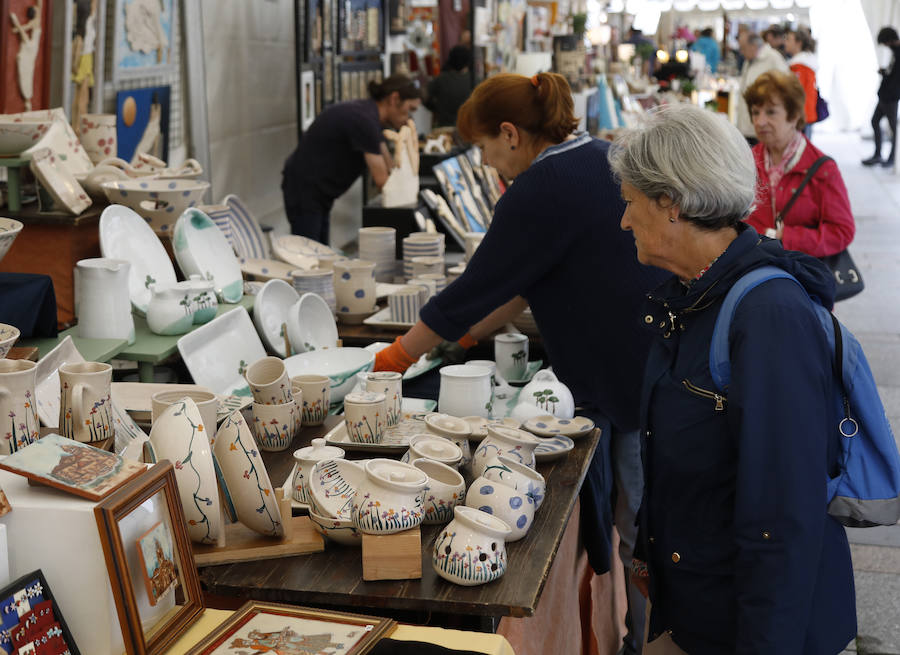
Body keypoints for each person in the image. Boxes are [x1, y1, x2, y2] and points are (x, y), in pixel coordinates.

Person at [374, 72, 667, 655]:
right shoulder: (597, 158)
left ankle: (647, 643)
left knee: (642, 530)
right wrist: (459, 339)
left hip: (634, 379)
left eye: (483, 147)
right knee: (639, 523)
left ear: (510, 134)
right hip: (645, 364)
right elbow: (523, 283)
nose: (484, 161)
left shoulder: (542, 184)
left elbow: (474, 287)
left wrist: (396, 355)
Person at [609, 103, 856, 654]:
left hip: (752, 628)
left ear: (670, 204)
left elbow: (782, 517)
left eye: (629, 203)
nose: (623, 220)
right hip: (700, 608)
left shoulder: (768, 315)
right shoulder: (694, 295)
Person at [281, 74, 421, 244]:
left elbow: (389, 168)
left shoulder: (370, 117)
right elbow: (384, 182)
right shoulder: (365, 121)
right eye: (410, 109)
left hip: (316, 191)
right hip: (305, 189)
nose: (408, 118)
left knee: (319, 252)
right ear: (394, 98)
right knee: (307, 254)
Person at [744, 71, 854, 258]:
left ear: (794, 116)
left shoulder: (823, 169)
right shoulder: (746, 161)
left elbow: (842, 231)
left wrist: (783, 237)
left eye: (771, 112)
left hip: (801, 275)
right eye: (755, 112)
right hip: (753, 271)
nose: (760, 121)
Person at [736, 31, 789, 144]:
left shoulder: (773, 59)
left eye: (743, 48)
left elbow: (786, 90)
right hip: (747, 126)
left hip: (764, 128)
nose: (741, 52)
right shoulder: (748, 61)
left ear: (753, 46)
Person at [863, 27, 900, 167]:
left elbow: (896, 78)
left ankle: (892, 158)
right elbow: (893, 74)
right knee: (875, 121)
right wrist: (885, 72)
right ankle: (878, 154)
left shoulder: (899, 53)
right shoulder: (895, 52)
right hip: (885, 96)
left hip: (891, 98)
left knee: (893, 129)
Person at [424, 45, 473, 128]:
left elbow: (424, 97)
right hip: (467, 129)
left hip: (443, 128)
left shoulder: (441, 79)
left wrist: (437, 109)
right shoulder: (473, 80)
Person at [785, 27, 819, 138]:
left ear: (798, 43)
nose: (786, 42)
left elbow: (794, 92)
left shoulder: (799, 65)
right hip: (807, 113)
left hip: (800, 116)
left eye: (789, 39)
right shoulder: (807, 62)